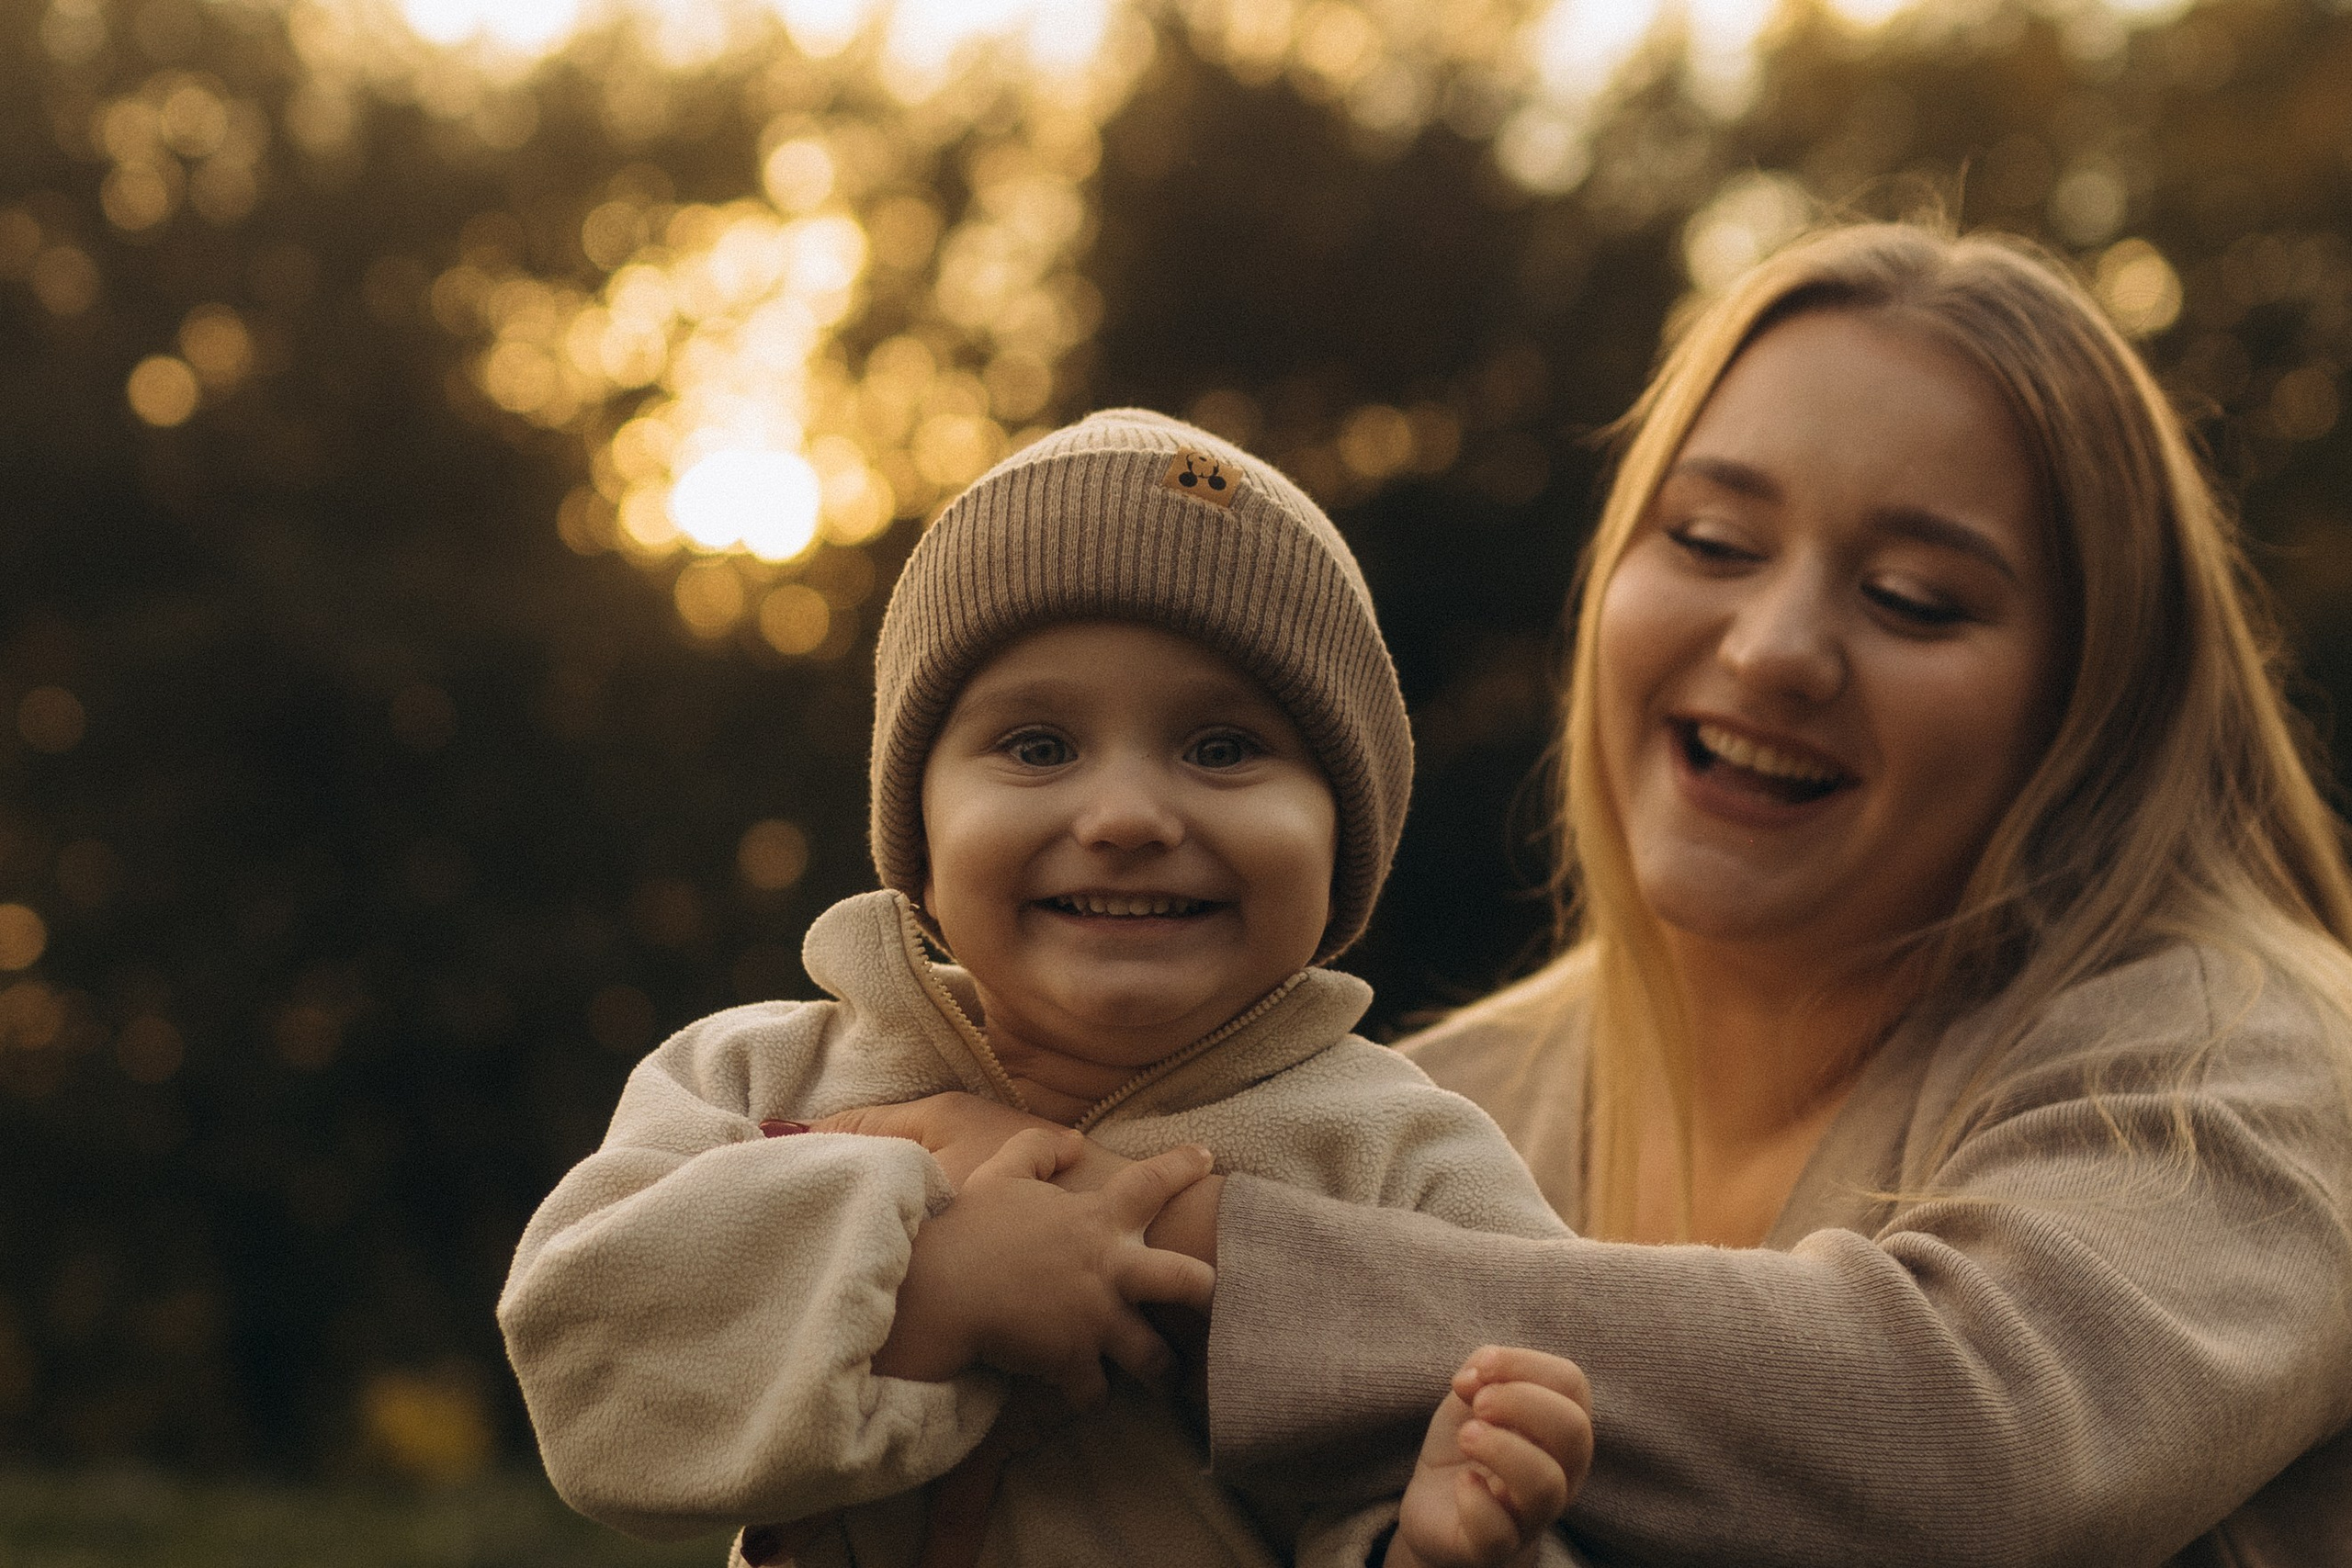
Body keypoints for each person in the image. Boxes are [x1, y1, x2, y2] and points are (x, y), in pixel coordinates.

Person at [817, 224, 2352, 1565]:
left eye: (1913, 598)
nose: (1772, 647)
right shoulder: (1443, 1096)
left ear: (2096, 695)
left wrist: (1142, 1225)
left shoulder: (2264, 1060)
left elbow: (1974, 1438)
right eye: (1711, 540)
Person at [498, 409, 1596, 1568]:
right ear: (919, 836)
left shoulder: (1407, 1158)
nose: (1124, 817)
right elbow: (591, 1379)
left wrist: (1440, 1542)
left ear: (1345, 844)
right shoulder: (751, 1077)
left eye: (1222, 748)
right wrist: (928, 1286)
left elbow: (1564, 1431)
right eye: (1036, 747)